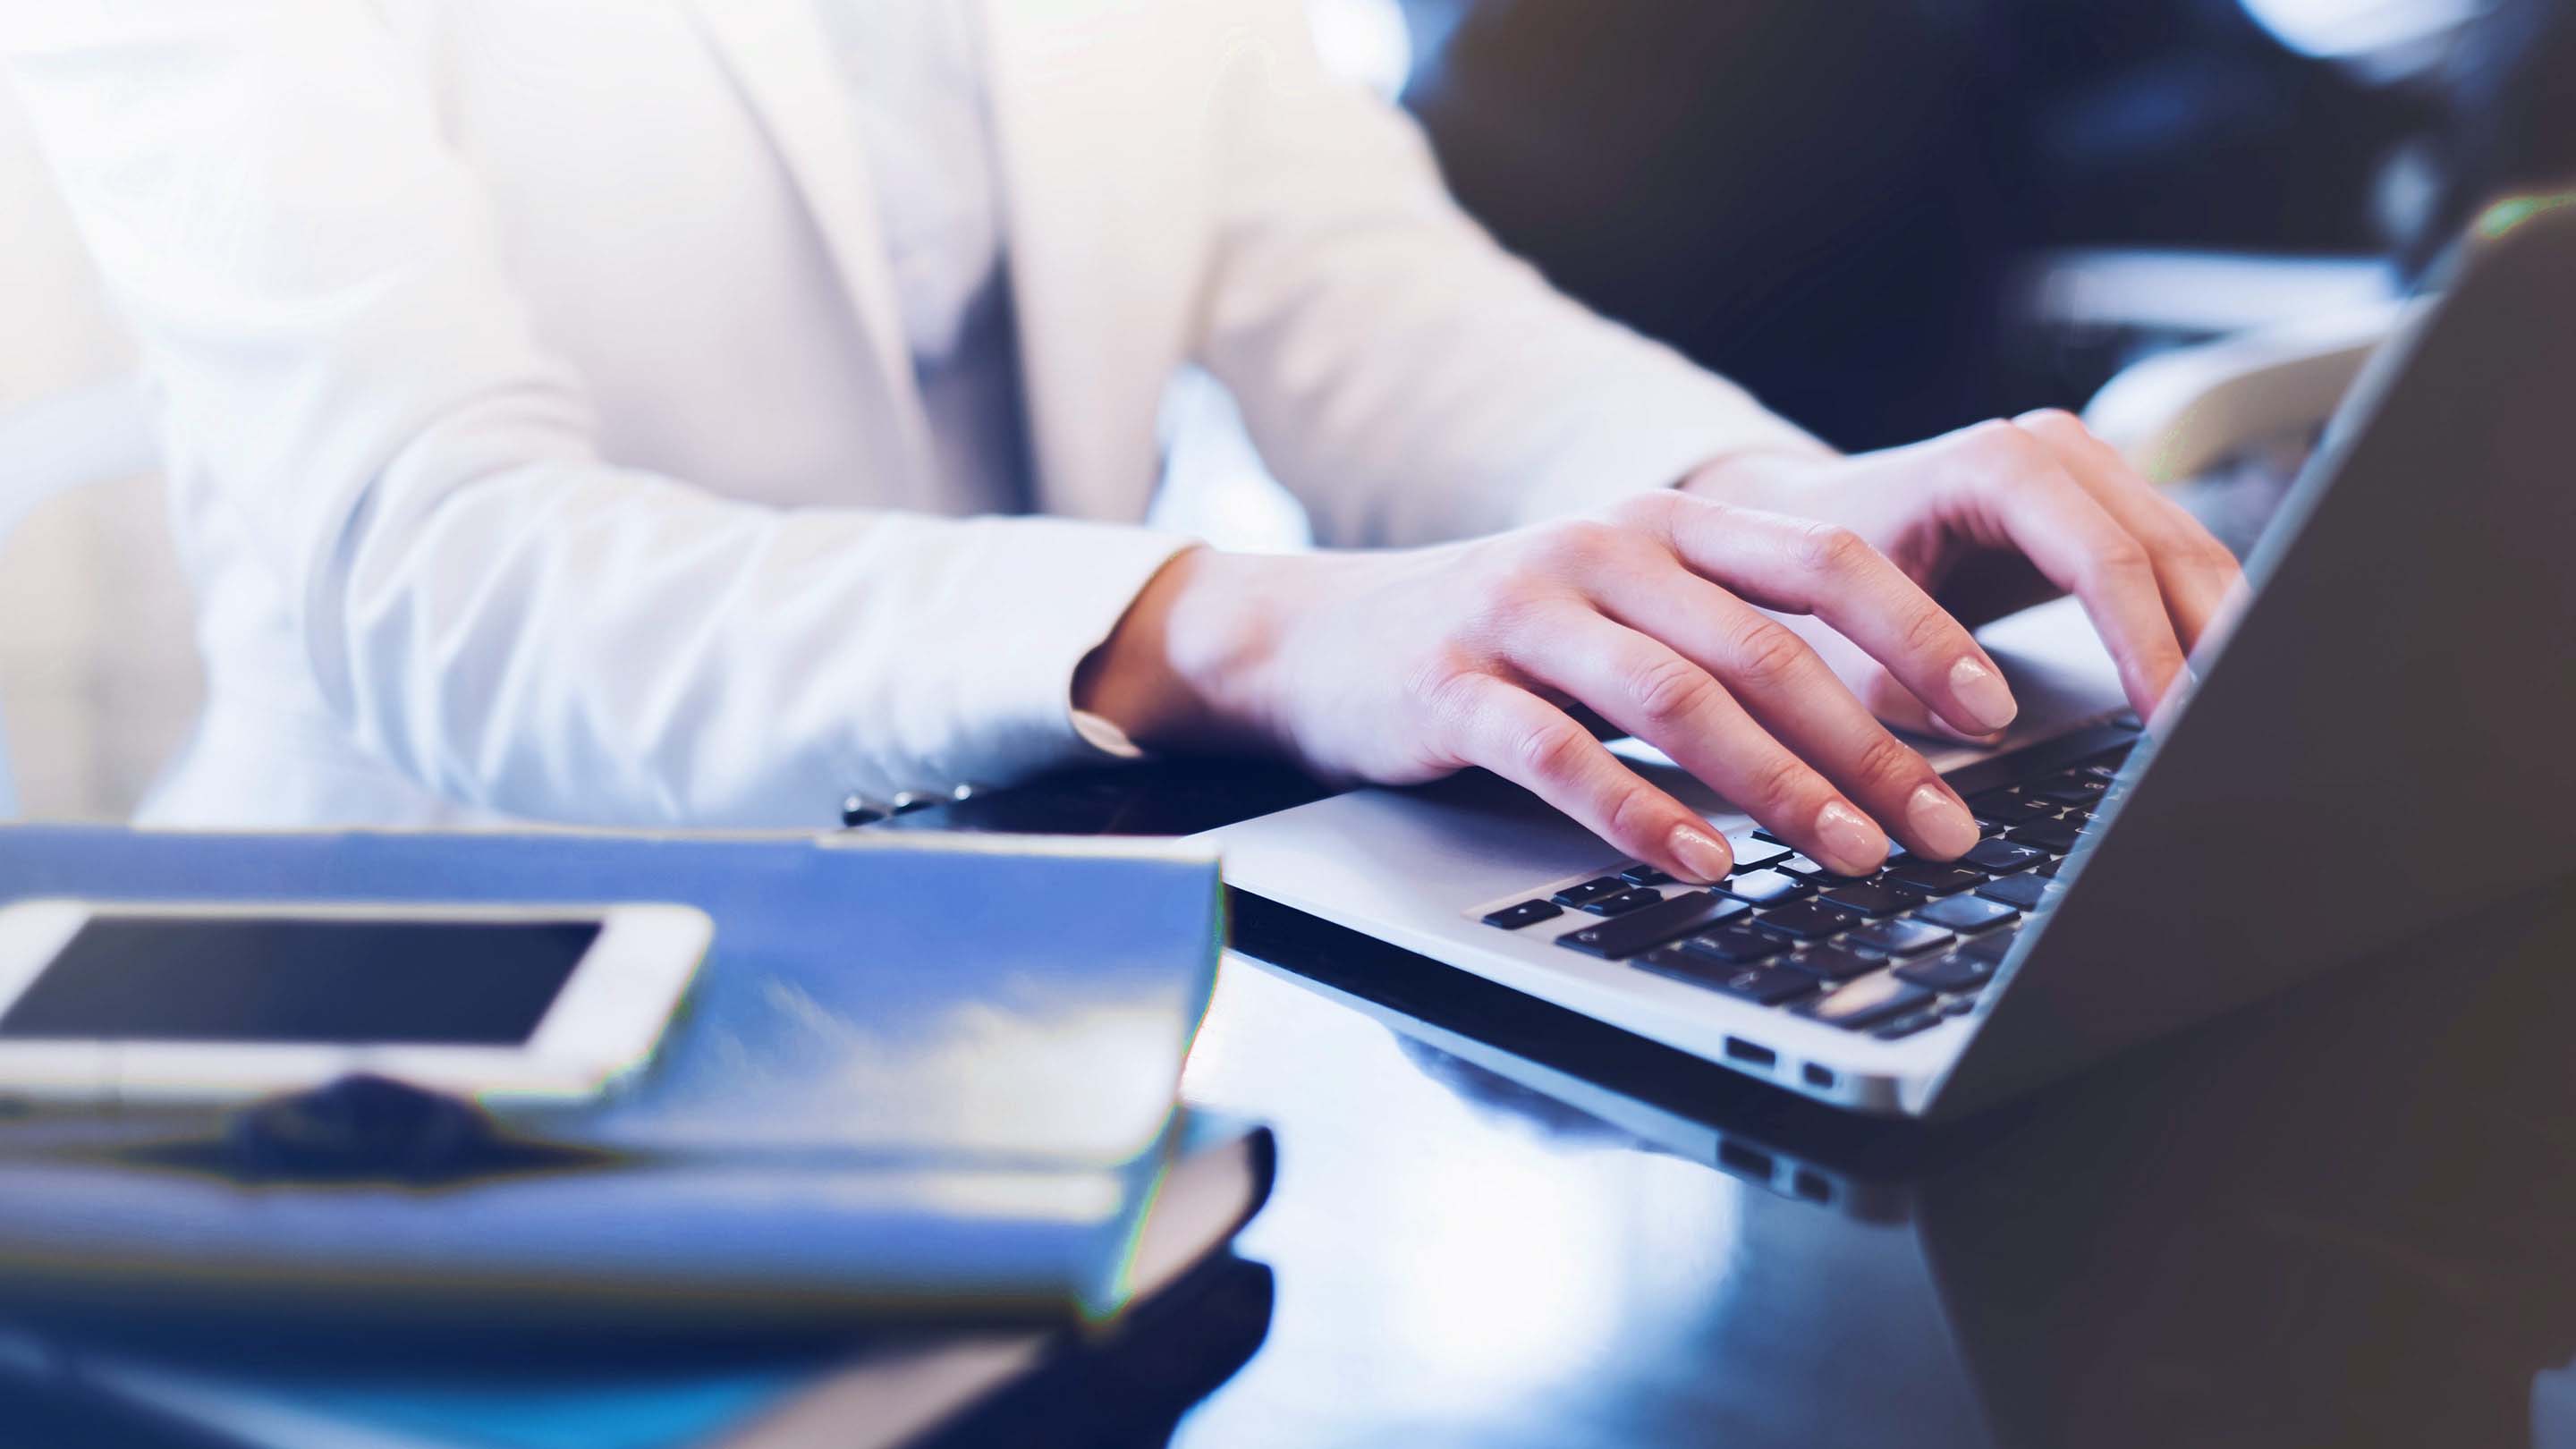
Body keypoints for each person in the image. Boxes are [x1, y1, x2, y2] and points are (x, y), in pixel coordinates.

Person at [3, 0, 2239, 886]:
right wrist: (1228, 626)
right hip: (432, 1034)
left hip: (1030, 999)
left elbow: (1383, 315)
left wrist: (1769, 526)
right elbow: (436, 567)